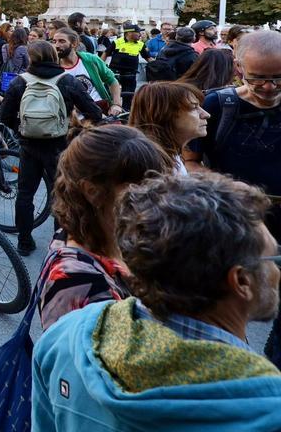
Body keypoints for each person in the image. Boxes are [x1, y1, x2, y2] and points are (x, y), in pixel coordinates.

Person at [32, 172, 281, 432]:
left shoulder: (63, 337)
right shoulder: (270, 410)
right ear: (241, 281)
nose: (278, 271)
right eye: (274, 259)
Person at [183, 29, 281, 364]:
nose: (269, 87)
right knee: (227, 308)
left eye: (278, 79)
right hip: (236, 223)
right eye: (258, 79)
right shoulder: (218, 104)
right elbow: (191, 163)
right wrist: (229, 187)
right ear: (239, 68)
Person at [37, 126, 169, 331]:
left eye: (158, 187)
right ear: (92, 192)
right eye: (140, 188)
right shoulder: (77, 281)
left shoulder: (117, 237)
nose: (157, 199)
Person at [1, 41, 103, 255]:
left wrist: (22, 130)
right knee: (62, 195)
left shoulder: (21, 82)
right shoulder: (67, 81)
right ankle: (59, 242)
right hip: (59, 145)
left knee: (25, 193)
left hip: (29, 145)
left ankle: (24, 241)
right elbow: (94, 113)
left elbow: (5, 116)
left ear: (32, 58)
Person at [129, 81, 208, 176]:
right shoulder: (151, 166)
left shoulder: (169, 155)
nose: (206, 115)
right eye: (194, 108)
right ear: (165, 115)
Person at [50, 28, 122, 114]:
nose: (56, 45)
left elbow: (112, 81)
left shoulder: (90, 59)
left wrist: (116, 104)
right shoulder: (53, 67)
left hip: (100, 111)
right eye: (54, 41)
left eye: (62, 41)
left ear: (74, 44)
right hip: (71, 117)